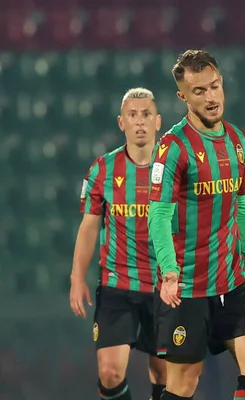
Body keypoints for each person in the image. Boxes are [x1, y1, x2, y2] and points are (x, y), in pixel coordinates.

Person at [147, 49, 245, 400]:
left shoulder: (237, 142)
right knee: (184, 384)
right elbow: (159, 216)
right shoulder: (172, 148)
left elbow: (241, 207)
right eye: (199, 91)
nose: (211, 97)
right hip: (188, 289)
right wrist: (169, 270)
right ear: (183, 96)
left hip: (232, 283)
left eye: (215, 87)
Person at [69, 88, 167, 400]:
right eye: (132, 115)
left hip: (166, 287)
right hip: (117, 285)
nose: (140, 122)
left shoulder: (177, 169)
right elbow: (89, 226)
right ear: (121, 122)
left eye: (146, 115)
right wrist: (76, 277)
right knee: (110, 373)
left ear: (158, 121)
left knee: (165, 374)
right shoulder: (102, 169)